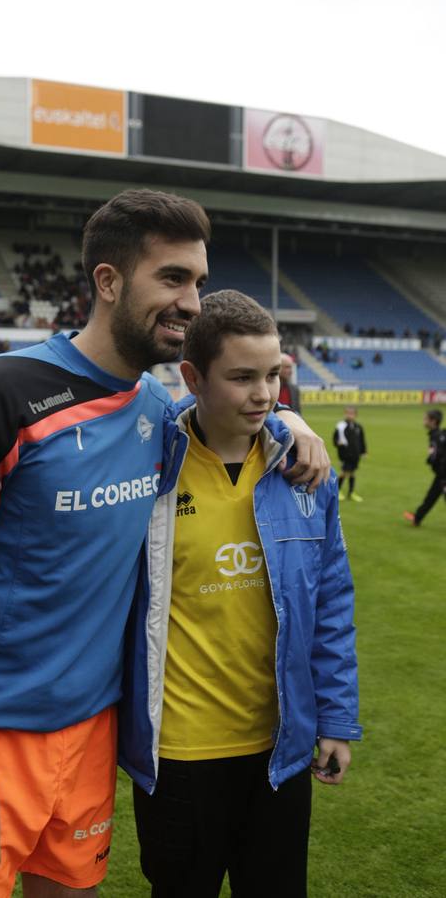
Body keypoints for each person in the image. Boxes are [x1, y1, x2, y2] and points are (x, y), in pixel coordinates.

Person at [0, 190, 331, 898]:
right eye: (172, 278)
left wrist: (286, 422)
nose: (192, 301)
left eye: (198, 280)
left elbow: (230, 411)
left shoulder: (159, 412)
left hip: (93, 735)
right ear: (108, 281)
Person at [121, 290, 361, 898]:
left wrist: (334, 719)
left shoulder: (305, 475)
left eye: (273, 375)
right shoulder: (147, 470)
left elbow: (331, 603)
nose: (264, 394)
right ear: (193, 377)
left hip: (279, 753)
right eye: (242, 377)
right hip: (177, 755)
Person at [404, 409, 446, 527]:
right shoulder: (438, 434)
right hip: (441, 474)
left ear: (433, 421)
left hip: (443, 475)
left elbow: (438, 456)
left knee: (435, 495)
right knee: (431, 496)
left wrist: (431, 461)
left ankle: (417, 518)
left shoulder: (437, 436)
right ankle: (417, 518)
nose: (424, 421)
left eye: (426, 419)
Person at [333, 406, 367, 502]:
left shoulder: (358, 427)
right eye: (348, 413)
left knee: (352, 473)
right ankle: (337, 491)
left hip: (355, 455)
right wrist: (337, 443)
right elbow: (335, 439)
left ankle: (351, 493)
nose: (350, 415)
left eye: (352, 414)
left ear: (355, 415)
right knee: (344, 473)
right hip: (345, 454)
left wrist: (363, 451)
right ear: (345, 414)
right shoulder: (341, 426)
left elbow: (362, 440)